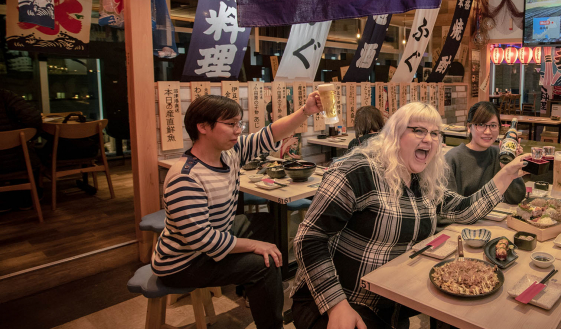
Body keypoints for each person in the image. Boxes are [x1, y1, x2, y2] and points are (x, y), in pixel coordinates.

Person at [291, 102, 527, 329]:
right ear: (395, 134)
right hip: (341, 298)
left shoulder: (423, 180)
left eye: (435, 133)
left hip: (391, 301)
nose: (429, 139)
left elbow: (463, 210)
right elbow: (309, 238)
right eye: (419, 130)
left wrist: (506, 174)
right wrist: (336, 305)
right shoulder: (357, 170)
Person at [152, 92, 324, 329]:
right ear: (202, 126)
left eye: (238, 123)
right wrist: (254, 245)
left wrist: (305, 111)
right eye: (231, 124)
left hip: (215, 234)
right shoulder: (186, 177)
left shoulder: (229, 154)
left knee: (267, 223)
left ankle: (249, 290)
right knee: (264, 265)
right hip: (184, 261)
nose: (238, 130)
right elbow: (203, 240)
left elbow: (270, 134)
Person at [445, 101, 526, 205]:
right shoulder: (453, 158)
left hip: (494, 220)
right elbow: (448, 207)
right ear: (469, 127)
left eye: (493, 125)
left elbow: (516, 198)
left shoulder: (500, 155)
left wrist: (508, 167)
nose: (488, 132)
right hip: (461, 221)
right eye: (481, 125)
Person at [0, 89, 42, 212]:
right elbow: (33, 117)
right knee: (32, 157)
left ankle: (3, 201)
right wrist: (29, 136)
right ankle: (27, 199)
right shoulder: (5, 95)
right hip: (18, 160)